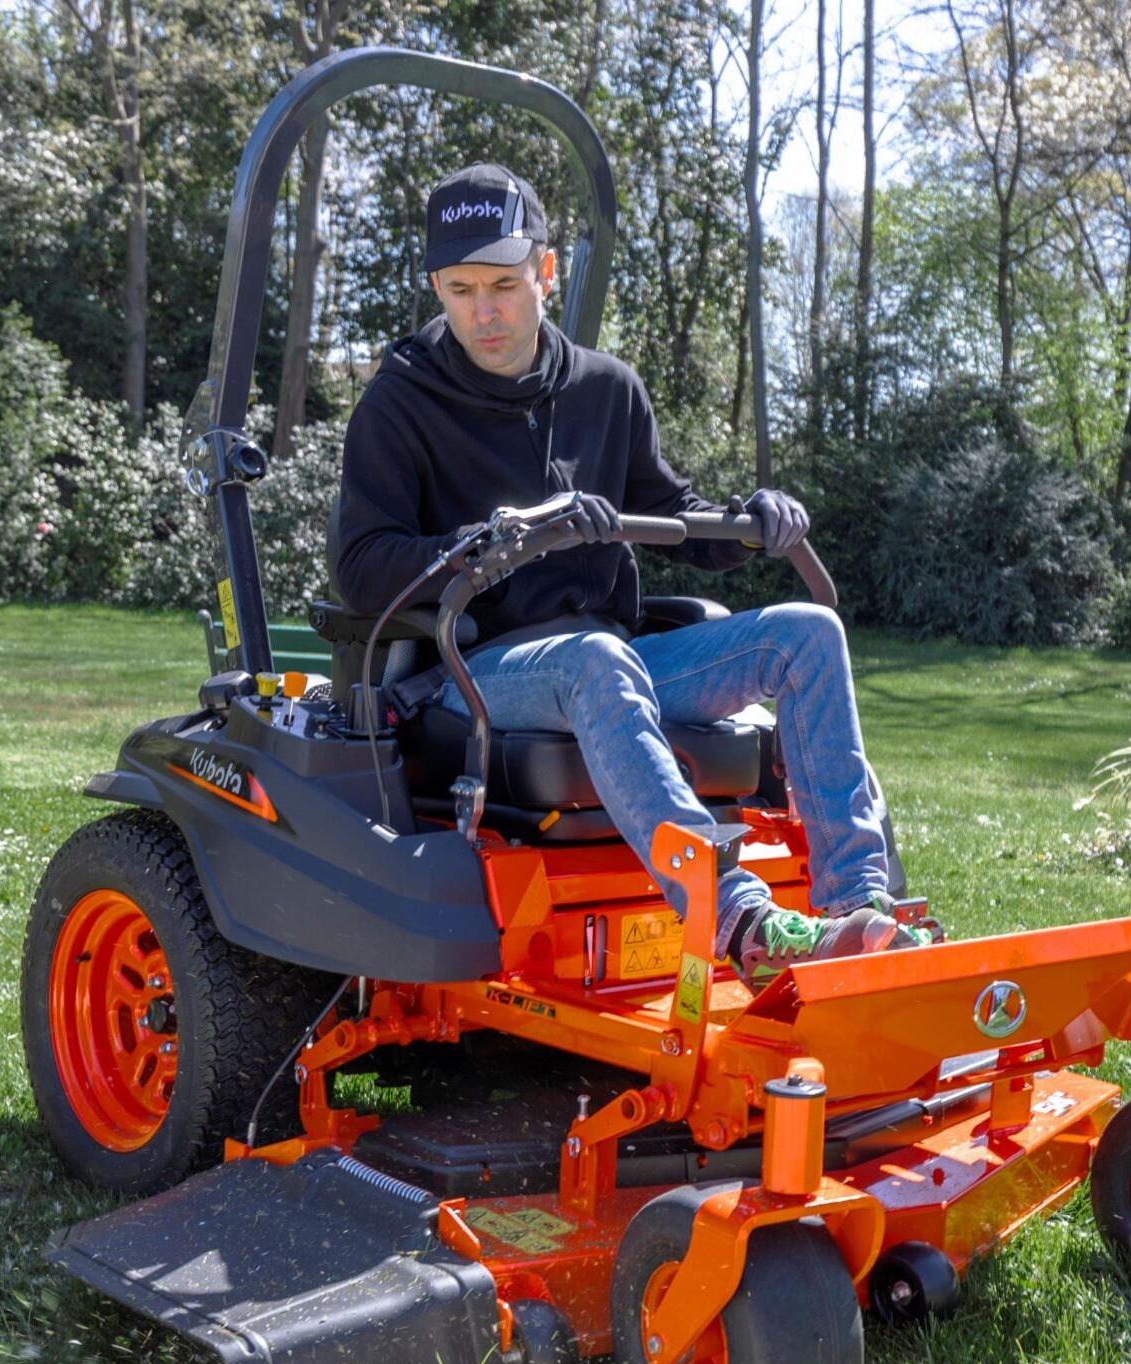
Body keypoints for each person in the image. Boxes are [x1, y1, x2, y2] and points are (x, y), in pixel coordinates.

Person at [332, 164, 935, 984]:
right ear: (437, 286)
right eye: (462, 289)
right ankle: (740, 921)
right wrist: (492, 543)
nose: (484, 312)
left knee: (809, 632)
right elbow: (363, 569)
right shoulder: (399, 404)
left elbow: (674, 514)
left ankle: (858, 912)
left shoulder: (605, 390)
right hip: (473, 669)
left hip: (609, 654)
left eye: (504, 285)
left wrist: (750, 523)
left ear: (546, 271)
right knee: (596, 657)